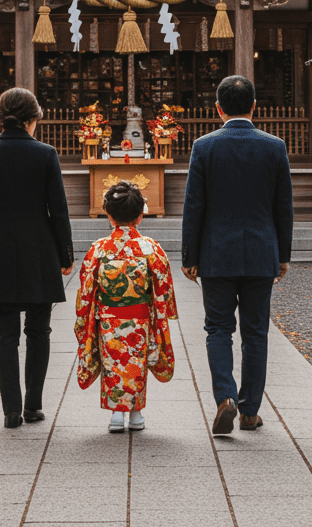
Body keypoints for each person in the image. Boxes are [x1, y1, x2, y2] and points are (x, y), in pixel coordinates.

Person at [181, 74, 294, 435]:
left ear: (218, 108)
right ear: (255, 106)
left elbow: (194, 206)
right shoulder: (274, 146)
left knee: (218, 328)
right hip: (262, 250)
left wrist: (189, 254)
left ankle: (224, 398)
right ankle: (249, 411)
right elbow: (284, 207)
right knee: (256, 332)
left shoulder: (205, 146)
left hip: (216, 252)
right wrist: (283, 254)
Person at [0, 87, 74, 429]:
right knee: (39, 331)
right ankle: (34, 405)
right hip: (39, 249)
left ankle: (11, 408)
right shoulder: (45, 154)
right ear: (33, 118)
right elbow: (58, 209)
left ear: (0, 117)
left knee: (5, 334)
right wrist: (66, 253)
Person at [74, 181, 177, 433]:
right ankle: (137, 414)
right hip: (140, 318)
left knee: (114, 363)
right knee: (136, 363)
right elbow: (164, 292)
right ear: (141, 216)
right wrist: (161, 315)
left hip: (108, 319)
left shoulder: (98, 249)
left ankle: (116, 416)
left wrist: (84, 319)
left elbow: (86, 292)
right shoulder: (151, 249)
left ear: (109, 216)